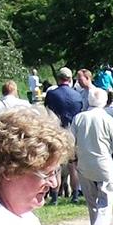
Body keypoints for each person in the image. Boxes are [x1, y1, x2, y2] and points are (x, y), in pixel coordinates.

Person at [71, 87, 113, 225]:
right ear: (105, 101)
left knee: (91, 198)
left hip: (83, 163)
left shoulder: (78, 118)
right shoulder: (107, 118)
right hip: (103, 162)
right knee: (107, 195)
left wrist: (73, 158)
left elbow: (70, 140)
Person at [44, 67, 84, 200]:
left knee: (56, 165)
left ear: (58, 79)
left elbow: (47, 111)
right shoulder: (77, 95)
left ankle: (55, 196)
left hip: (58, 131)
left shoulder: (52, 94)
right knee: (73, 165)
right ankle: (75, 195)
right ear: (70, 79)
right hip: (72, 133)